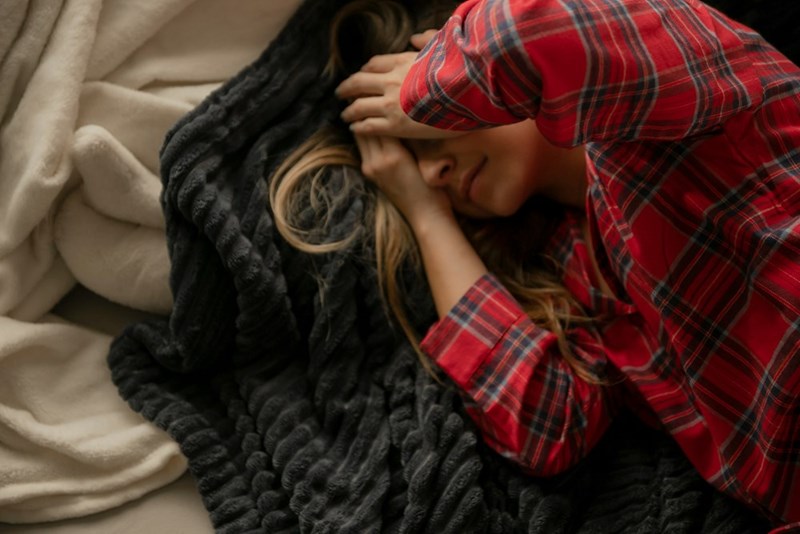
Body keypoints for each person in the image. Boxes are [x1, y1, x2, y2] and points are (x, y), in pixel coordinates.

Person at [275, 0, 800, 528]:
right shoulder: (574, 268)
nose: (433, 172)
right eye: (416, 167)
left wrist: (429, 86)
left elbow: (540, 27)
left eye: (426, 132)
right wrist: (427, 218)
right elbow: (545, 424)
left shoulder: (679, 82)